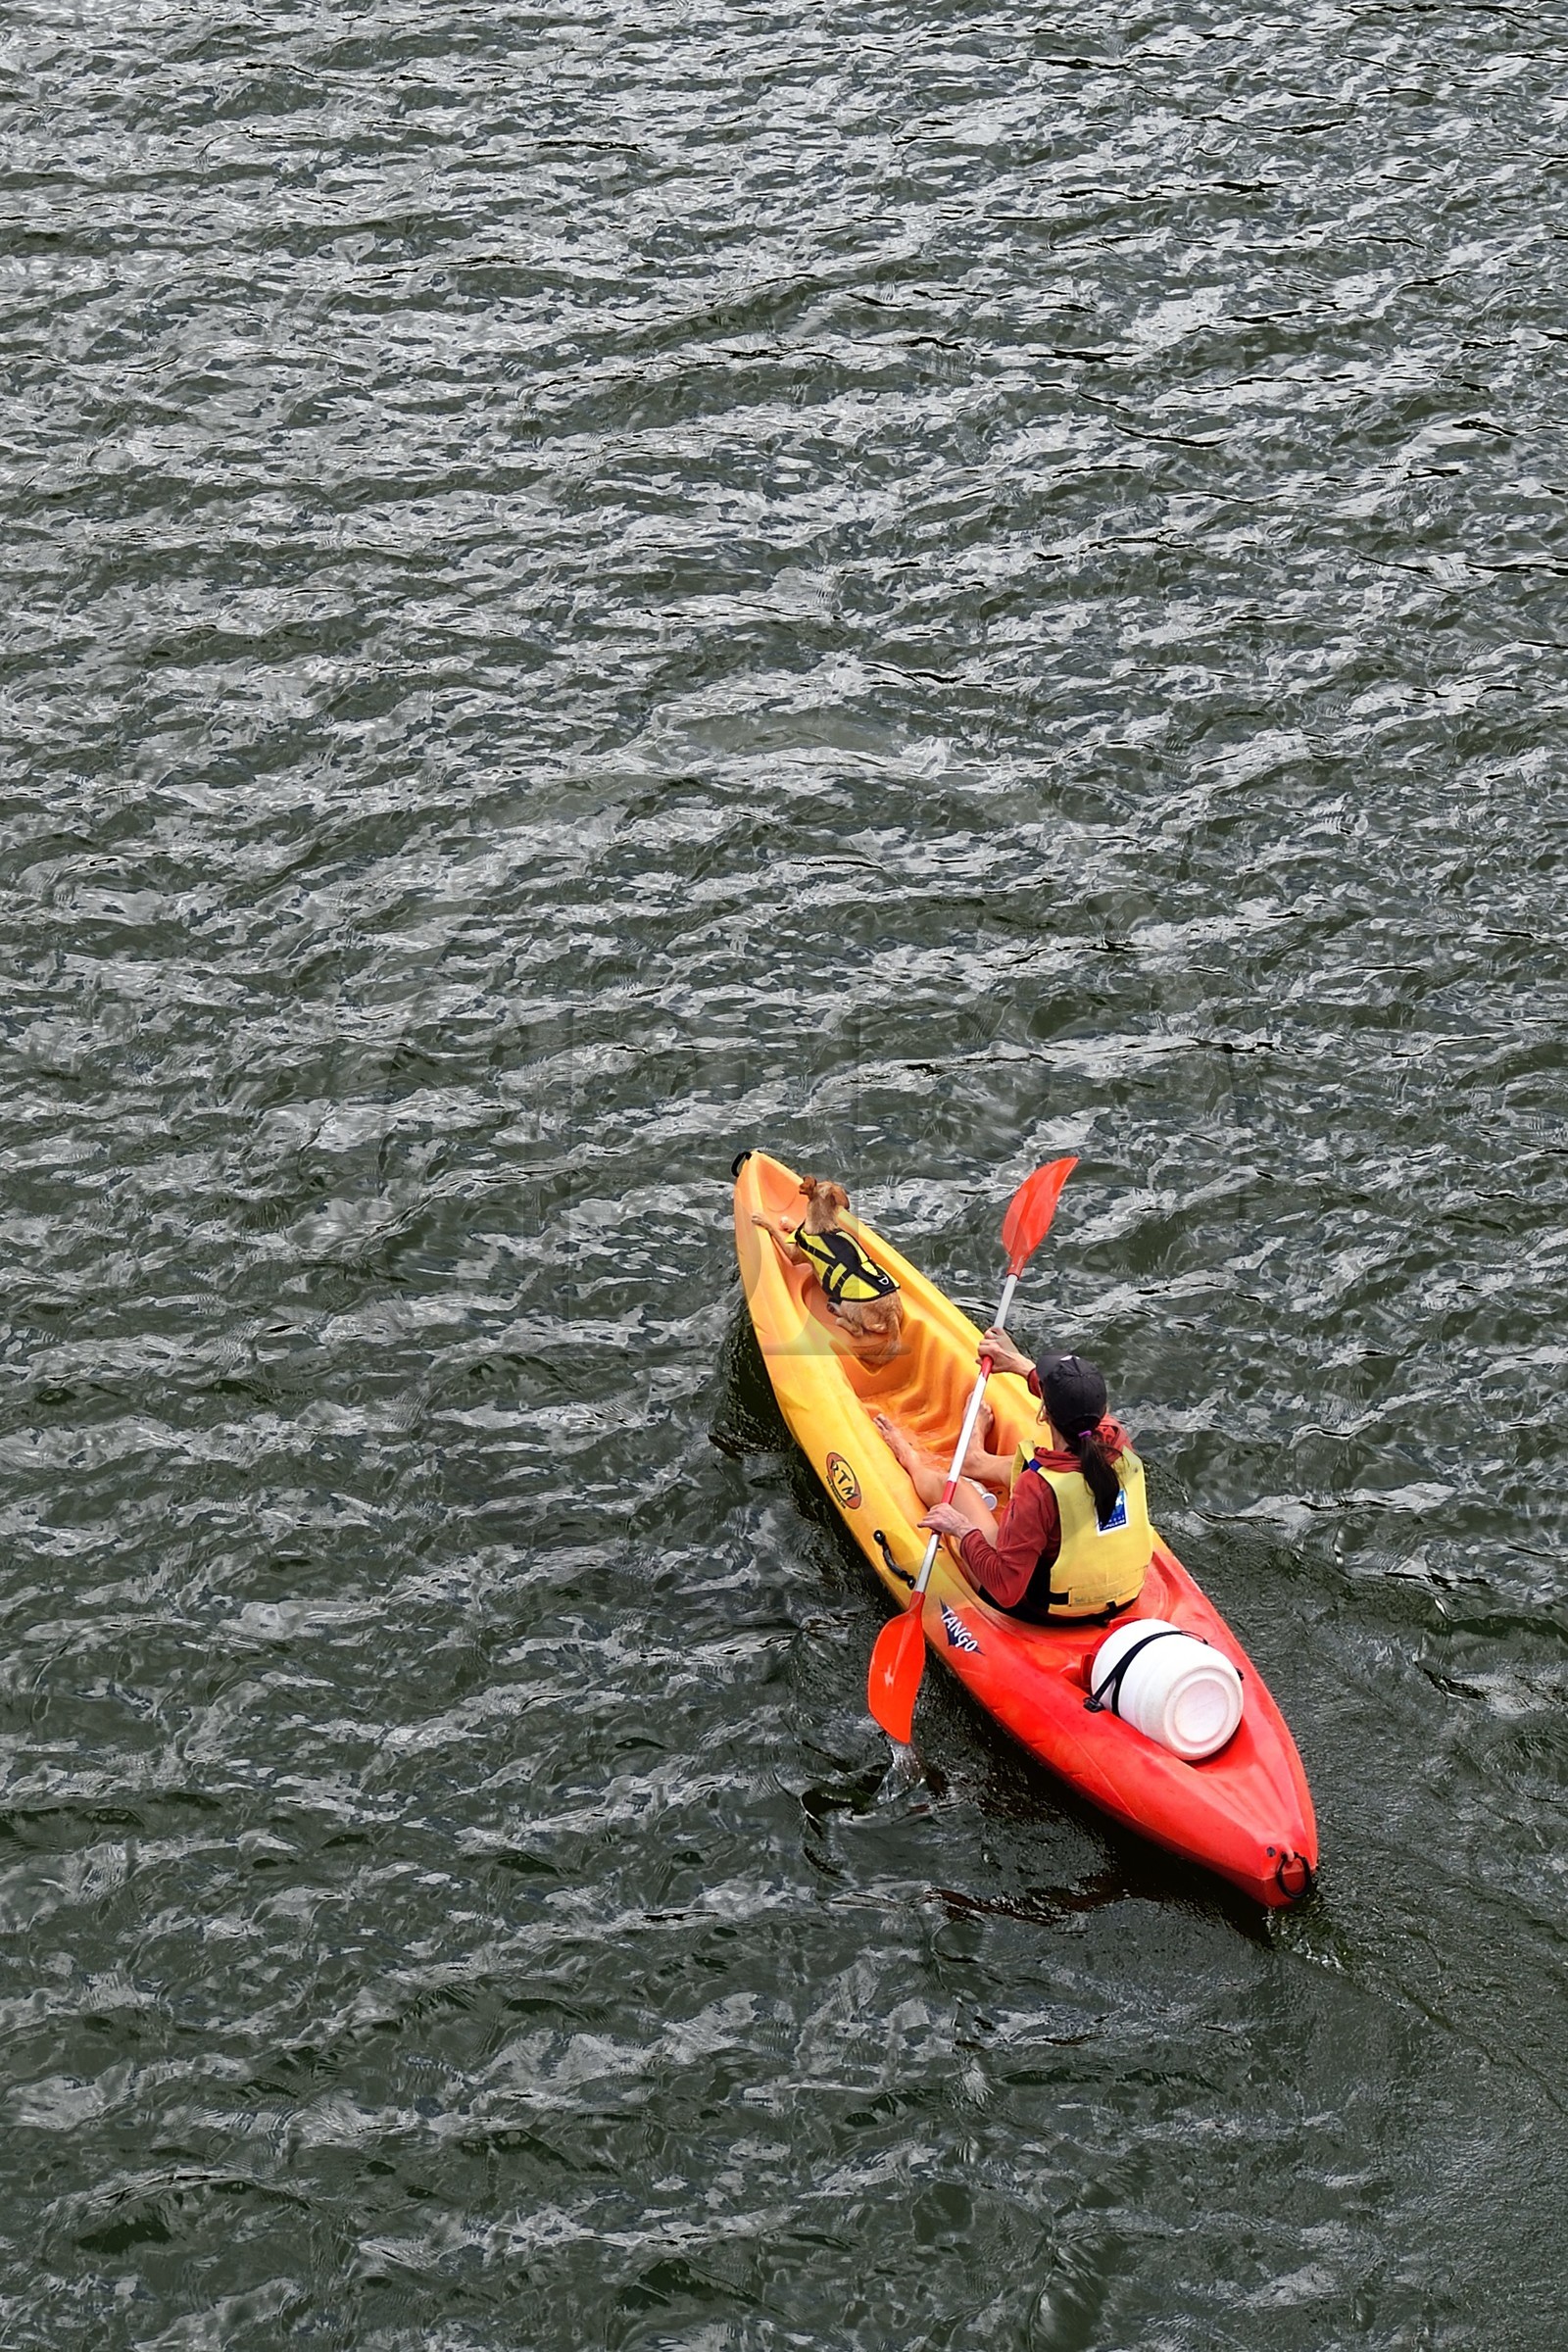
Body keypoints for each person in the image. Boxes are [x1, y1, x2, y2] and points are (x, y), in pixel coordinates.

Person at [874, 1328, 1152, 1624]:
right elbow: (1074, 1405)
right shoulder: (1118, 1439)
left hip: (1044, 1610)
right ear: (1103, 1410)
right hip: (1124, 1597)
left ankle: (911, 1461)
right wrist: (1018, 1363)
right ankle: (975, 1460)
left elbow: (1005, 1588)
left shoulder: (1038, 1488)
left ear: (1044, 1413)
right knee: (1030, 1470)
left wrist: (961, 1530)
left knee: (958, 1493)